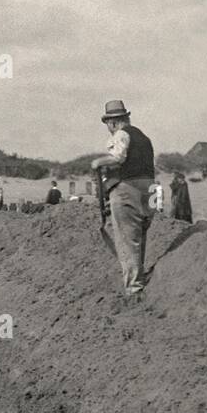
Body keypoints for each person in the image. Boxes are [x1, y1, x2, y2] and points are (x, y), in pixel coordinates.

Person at [90, 98, 155, 296]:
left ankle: (134, 289)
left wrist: (97, 163)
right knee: (139, 237)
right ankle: (139, 277)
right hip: (148, 189)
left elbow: (118, 158)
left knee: (127, 240)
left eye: (108, 125)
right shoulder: (143, 137)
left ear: (113, 122)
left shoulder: (120, 135)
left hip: (127, 189)